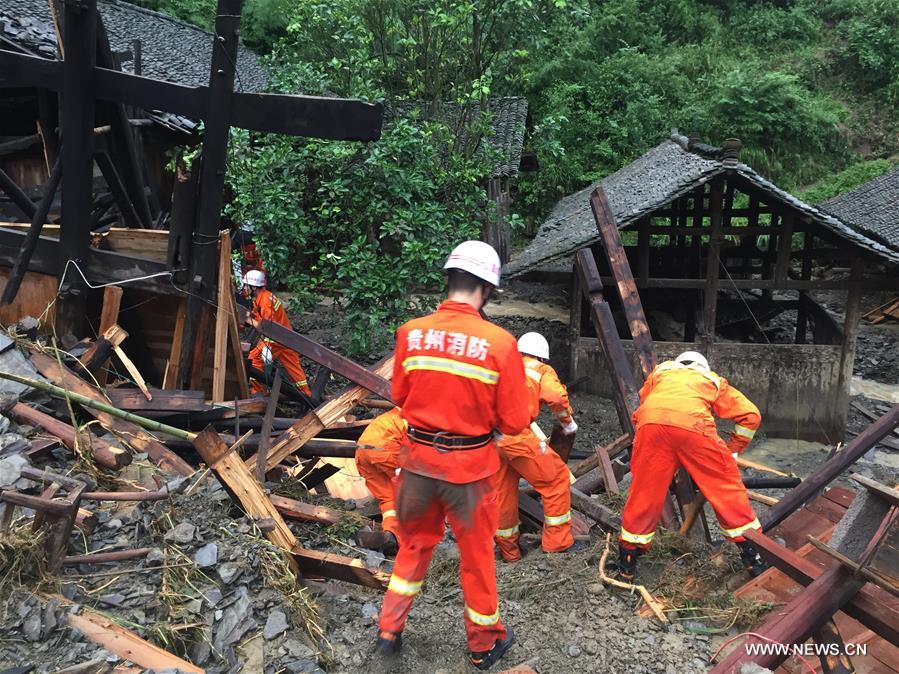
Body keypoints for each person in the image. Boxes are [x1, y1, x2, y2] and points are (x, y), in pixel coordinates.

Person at [375, 240, 530, 671]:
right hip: (470, 470)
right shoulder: (499, 343)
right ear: (486, 289)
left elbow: (399, 396)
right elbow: (516, 421)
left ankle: (389, 631)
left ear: (449, 279)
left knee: (412, 548)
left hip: (417, 462)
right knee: (477, 559)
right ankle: (483, 645)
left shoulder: (411, 332)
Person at [617, 351, 768, 580]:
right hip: (694, 426)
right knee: (726, 489)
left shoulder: (661, 372)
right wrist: (732, 450)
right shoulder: (711, 379)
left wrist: (659, 445)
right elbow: (751, 415)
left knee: (643, 493)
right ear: (702, 366)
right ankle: (753, 559)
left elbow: (643, 409)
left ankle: (627, 564)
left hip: (651, 426)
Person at [494, 331, 583, 562]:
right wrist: (568, 422)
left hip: (491, 439)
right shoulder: (541, 370)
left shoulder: (502, 366)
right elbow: (555, 396)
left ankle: (509, 552)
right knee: (556, 480)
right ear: (542, 357)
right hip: (516, 436)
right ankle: (557, 543)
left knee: (502, 493)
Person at [243, 270, 312, 397]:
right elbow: (259, 318)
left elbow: (267, 327)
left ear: (253, 287)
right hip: (286, 337)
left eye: (246, 286)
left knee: (254, 358)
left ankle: (257, 391)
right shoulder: (262, 297)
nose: (244, 288)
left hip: (276, 338)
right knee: (293, 366)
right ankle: (306, 394)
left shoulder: (265, 301)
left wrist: (247, 319)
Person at [355, 407, 405, 555]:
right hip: (385, 449)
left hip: (362, 451)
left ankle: (391, 536)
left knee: (388, 499)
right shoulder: (421, 414)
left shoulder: (394, 414)